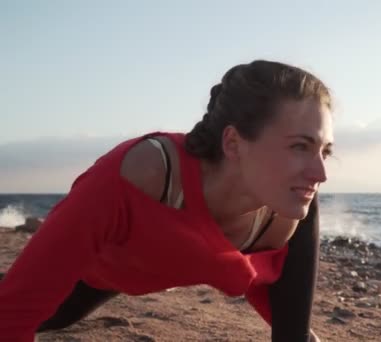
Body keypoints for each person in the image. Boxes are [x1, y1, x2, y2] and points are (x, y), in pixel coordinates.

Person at [0, 60, 334, 342]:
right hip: (96, 272)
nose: (320, 173)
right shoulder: (141, 174)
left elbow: (289, 323)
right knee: (50, 315)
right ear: (233, 143)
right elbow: (13, 315)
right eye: (299, 147)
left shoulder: (290, 208)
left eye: (325, 151)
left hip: (177, 260)